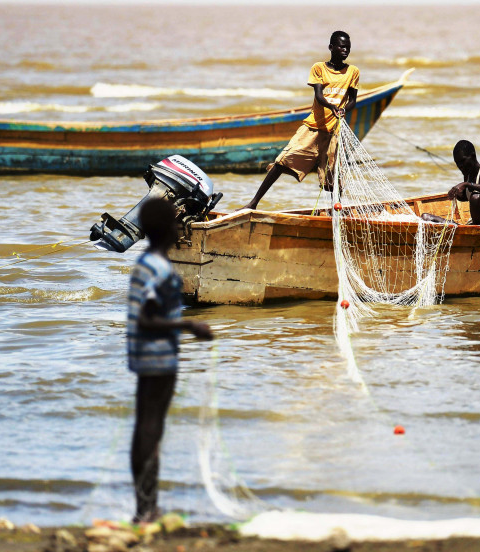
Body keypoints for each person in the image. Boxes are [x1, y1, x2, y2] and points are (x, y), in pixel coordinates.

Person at [126, 197, 213, 523]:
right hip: (157, 357)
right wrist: (189, 325)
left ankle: (146, 507)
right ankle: (146, 509)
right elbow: (147, 318)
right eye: (177, 222)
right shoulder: (160, 269)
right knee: (150, 430)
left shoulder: (147, 263)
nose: (181, 227)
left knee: (146, 429)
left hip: (145, 356)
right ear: (166, 230)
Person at [241, 30, 360, 210]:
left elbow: (353, 101)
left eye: (348, 47)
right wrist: (332, 107)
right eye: (342, 46)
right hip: (313, 127)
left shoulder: (353, 72)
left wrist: (343, 110)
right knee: (283, 160)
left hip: (334, 132)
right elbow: (319, 95)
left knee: (334, 176)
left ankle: (336, 213)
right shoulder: (319, 68)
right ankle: (253, 203)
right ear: (331, 47)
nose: (345, 50)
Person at [423, 140, 480, 225]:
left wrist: (467, 184)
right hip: (473, 223)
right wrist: (457, 195)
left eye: (463, 161)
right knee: (426, 217)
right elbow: (466, 197)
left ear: (473, 156)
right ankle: (461, 227)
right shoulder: (467, 176)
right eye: (457, 163)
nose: (460, 166)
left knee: (475, 197)